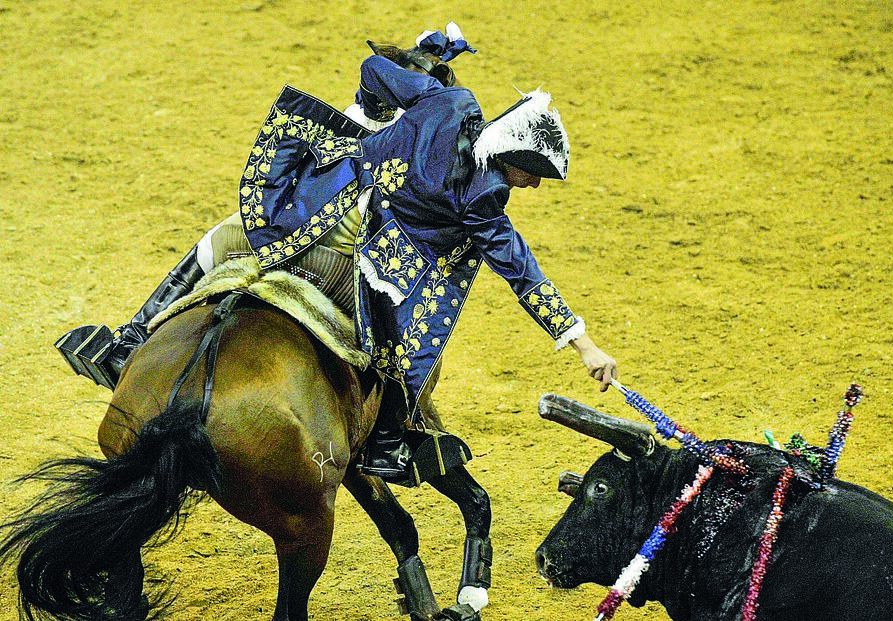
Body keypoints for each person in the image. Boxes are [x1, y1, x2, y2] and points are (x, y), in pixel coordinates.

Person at [57, 35, 618, 484]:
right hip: (369, 253)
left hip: (323, 196)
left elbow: (374, 71)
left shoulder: (452, 104)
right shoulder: (482, 203)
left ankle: (128, 341)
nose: (535, 187)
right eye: (533, 174)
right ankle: (392, 442)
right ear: (511, 156)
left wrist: (373, 119)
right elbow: (523, 271)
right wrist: (585, 345)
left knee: (227, 238)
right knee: (403, 340)